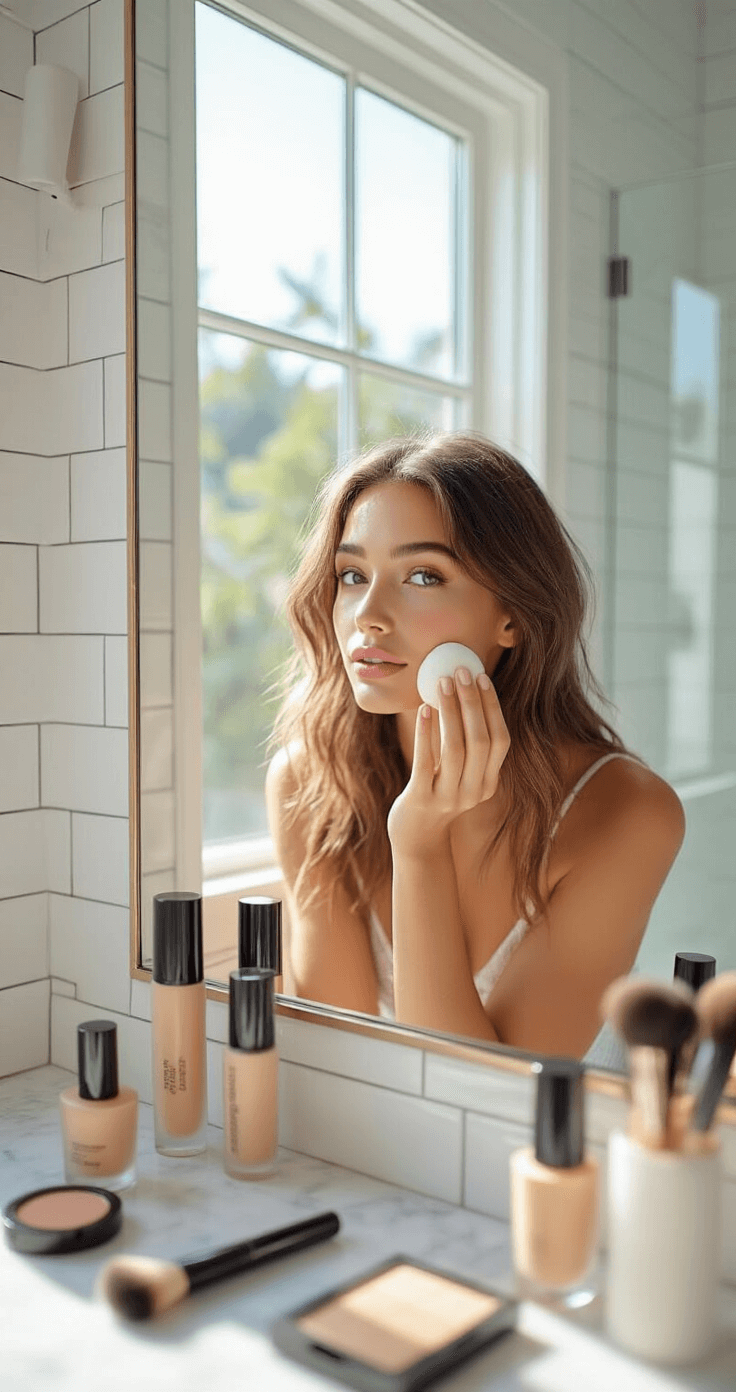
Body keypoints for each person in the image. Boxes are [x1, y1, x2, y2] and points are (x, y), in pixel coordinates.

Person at [264, 431, 685, 1055]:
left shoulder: (627, 815)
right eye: (352, 574)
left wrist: (419, 846)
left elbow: (478, 1089)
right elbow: (346, 1064)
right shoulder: (312, 778)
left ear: (511, 614)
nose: (368, 614)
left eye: (423, 576)